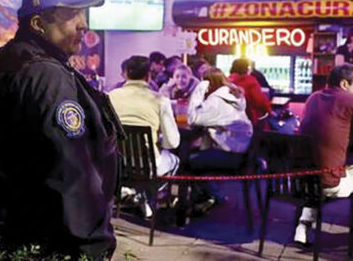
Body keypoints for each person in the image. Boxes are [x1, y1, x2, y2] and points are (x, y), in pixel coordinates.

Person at [0, 0, 122, 261]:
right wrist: (93, 242)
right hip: (56, 238)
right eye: (71, 14)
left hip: (13, 226)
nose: (84, 25)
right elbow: (71, 168)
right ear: (39, 23)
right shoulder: (47, 75)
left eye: (83, 13)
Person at [293, 64, 353, 245]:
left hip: (302, 181)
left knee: (322, 173)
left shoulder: (313, 97)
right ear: (344, 83)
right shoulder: (349, 100)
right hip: (328, 182)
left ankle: (302, 227)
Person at [186, 67, 253, 212]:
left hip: (231, 155)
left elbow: (193, 119)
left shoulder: (217, 101)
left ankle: (206, 198)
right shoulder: (230, 95)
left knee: (188, 161)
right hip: (241, 153)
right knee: (197, 156)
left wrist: (198, 91)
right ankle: (210, 195)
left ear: (207, 84)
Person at [109, 55, 180, 176]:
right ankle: (156, 194)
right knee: (174, 160)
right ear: (148, 76)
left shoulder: (109, 97)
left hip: (115, 164)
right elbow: (172, 143)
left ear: (125, 74)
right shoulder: (160, 100)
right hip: (148, 166)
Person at [229, 58, 272, 127]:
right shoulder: (250, 81)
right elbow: (259, 101)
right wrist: (269, 111)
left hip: (230, 120)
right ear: (246, 68)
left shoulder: (227, 81)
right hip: (248, 120)